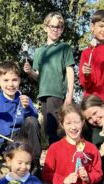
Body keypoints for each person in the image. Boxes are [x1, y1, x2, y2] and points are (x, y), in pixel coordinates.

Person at [42, 104, 103, 184]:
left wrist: (88, 177)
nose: (73, 127)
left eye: (77, 122)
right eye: (68, 123)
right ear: (62, 124)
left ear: (83, 122)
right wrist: (64, 179)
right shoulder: (55, 148)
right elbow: (46, 175)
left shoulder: (91, 148)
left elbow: (98, 173)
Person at [23, 12, 75, 145]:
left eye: (59, 27)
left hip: (57, 93)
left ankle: (57, 159)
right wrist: (30, 72)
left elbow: (70, 71)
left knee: (54, 129)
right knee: (47, 128)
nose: (55, 29)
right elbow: (38, 76)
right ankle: (54, 156)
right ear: (45, 27)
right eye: (52, 26)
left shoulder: (64, 48)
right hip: (44, 94)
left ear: (62, 29)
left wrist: (70, 94)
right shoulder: (39, 51)